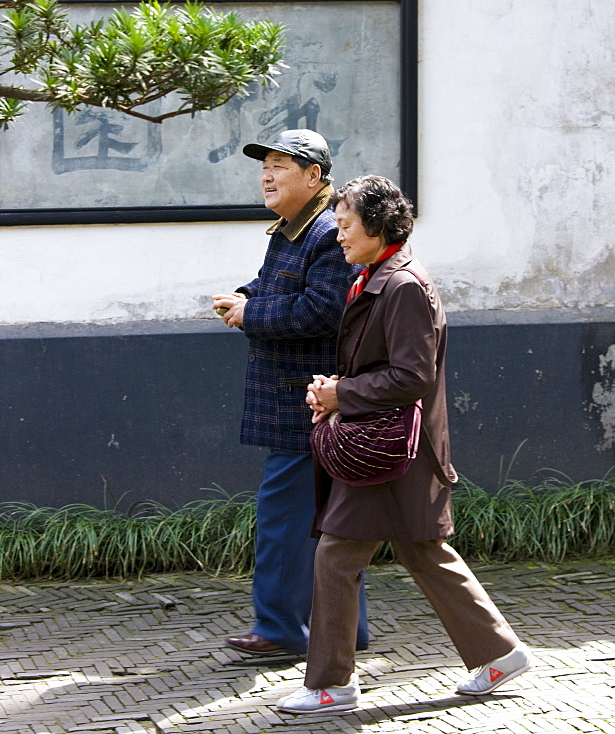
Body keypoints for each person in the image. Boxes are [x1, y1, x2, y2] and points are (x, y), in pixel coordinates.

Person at [277, 175, 535, 713]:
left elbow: (412, 375)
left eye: (346, 225)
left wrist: (341, 394)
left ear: (377, 226)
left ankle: (331, 684)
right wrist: (338, 393)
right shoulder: (380, 278)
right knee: (421, 551)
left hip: (392, 451)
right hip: (395, 450)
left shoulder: (402, 286)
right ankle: (498, 654)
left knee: (337, 555)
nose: (338, 235)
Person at [213, 129, 368, 657]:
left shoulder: (326, 232)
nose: (267, 174)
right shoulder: (292, 228)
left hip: (305, 402)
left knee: (285, 516)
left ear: (314, 177)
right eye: (265, 165)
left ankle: (279, 628)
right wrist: (244, 295)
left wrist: (250, 313)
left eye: (281, 165)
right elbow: (280, 287)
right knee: (328, 520)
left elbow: (323, 311)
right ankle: (348, 630)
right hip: (299, 397)